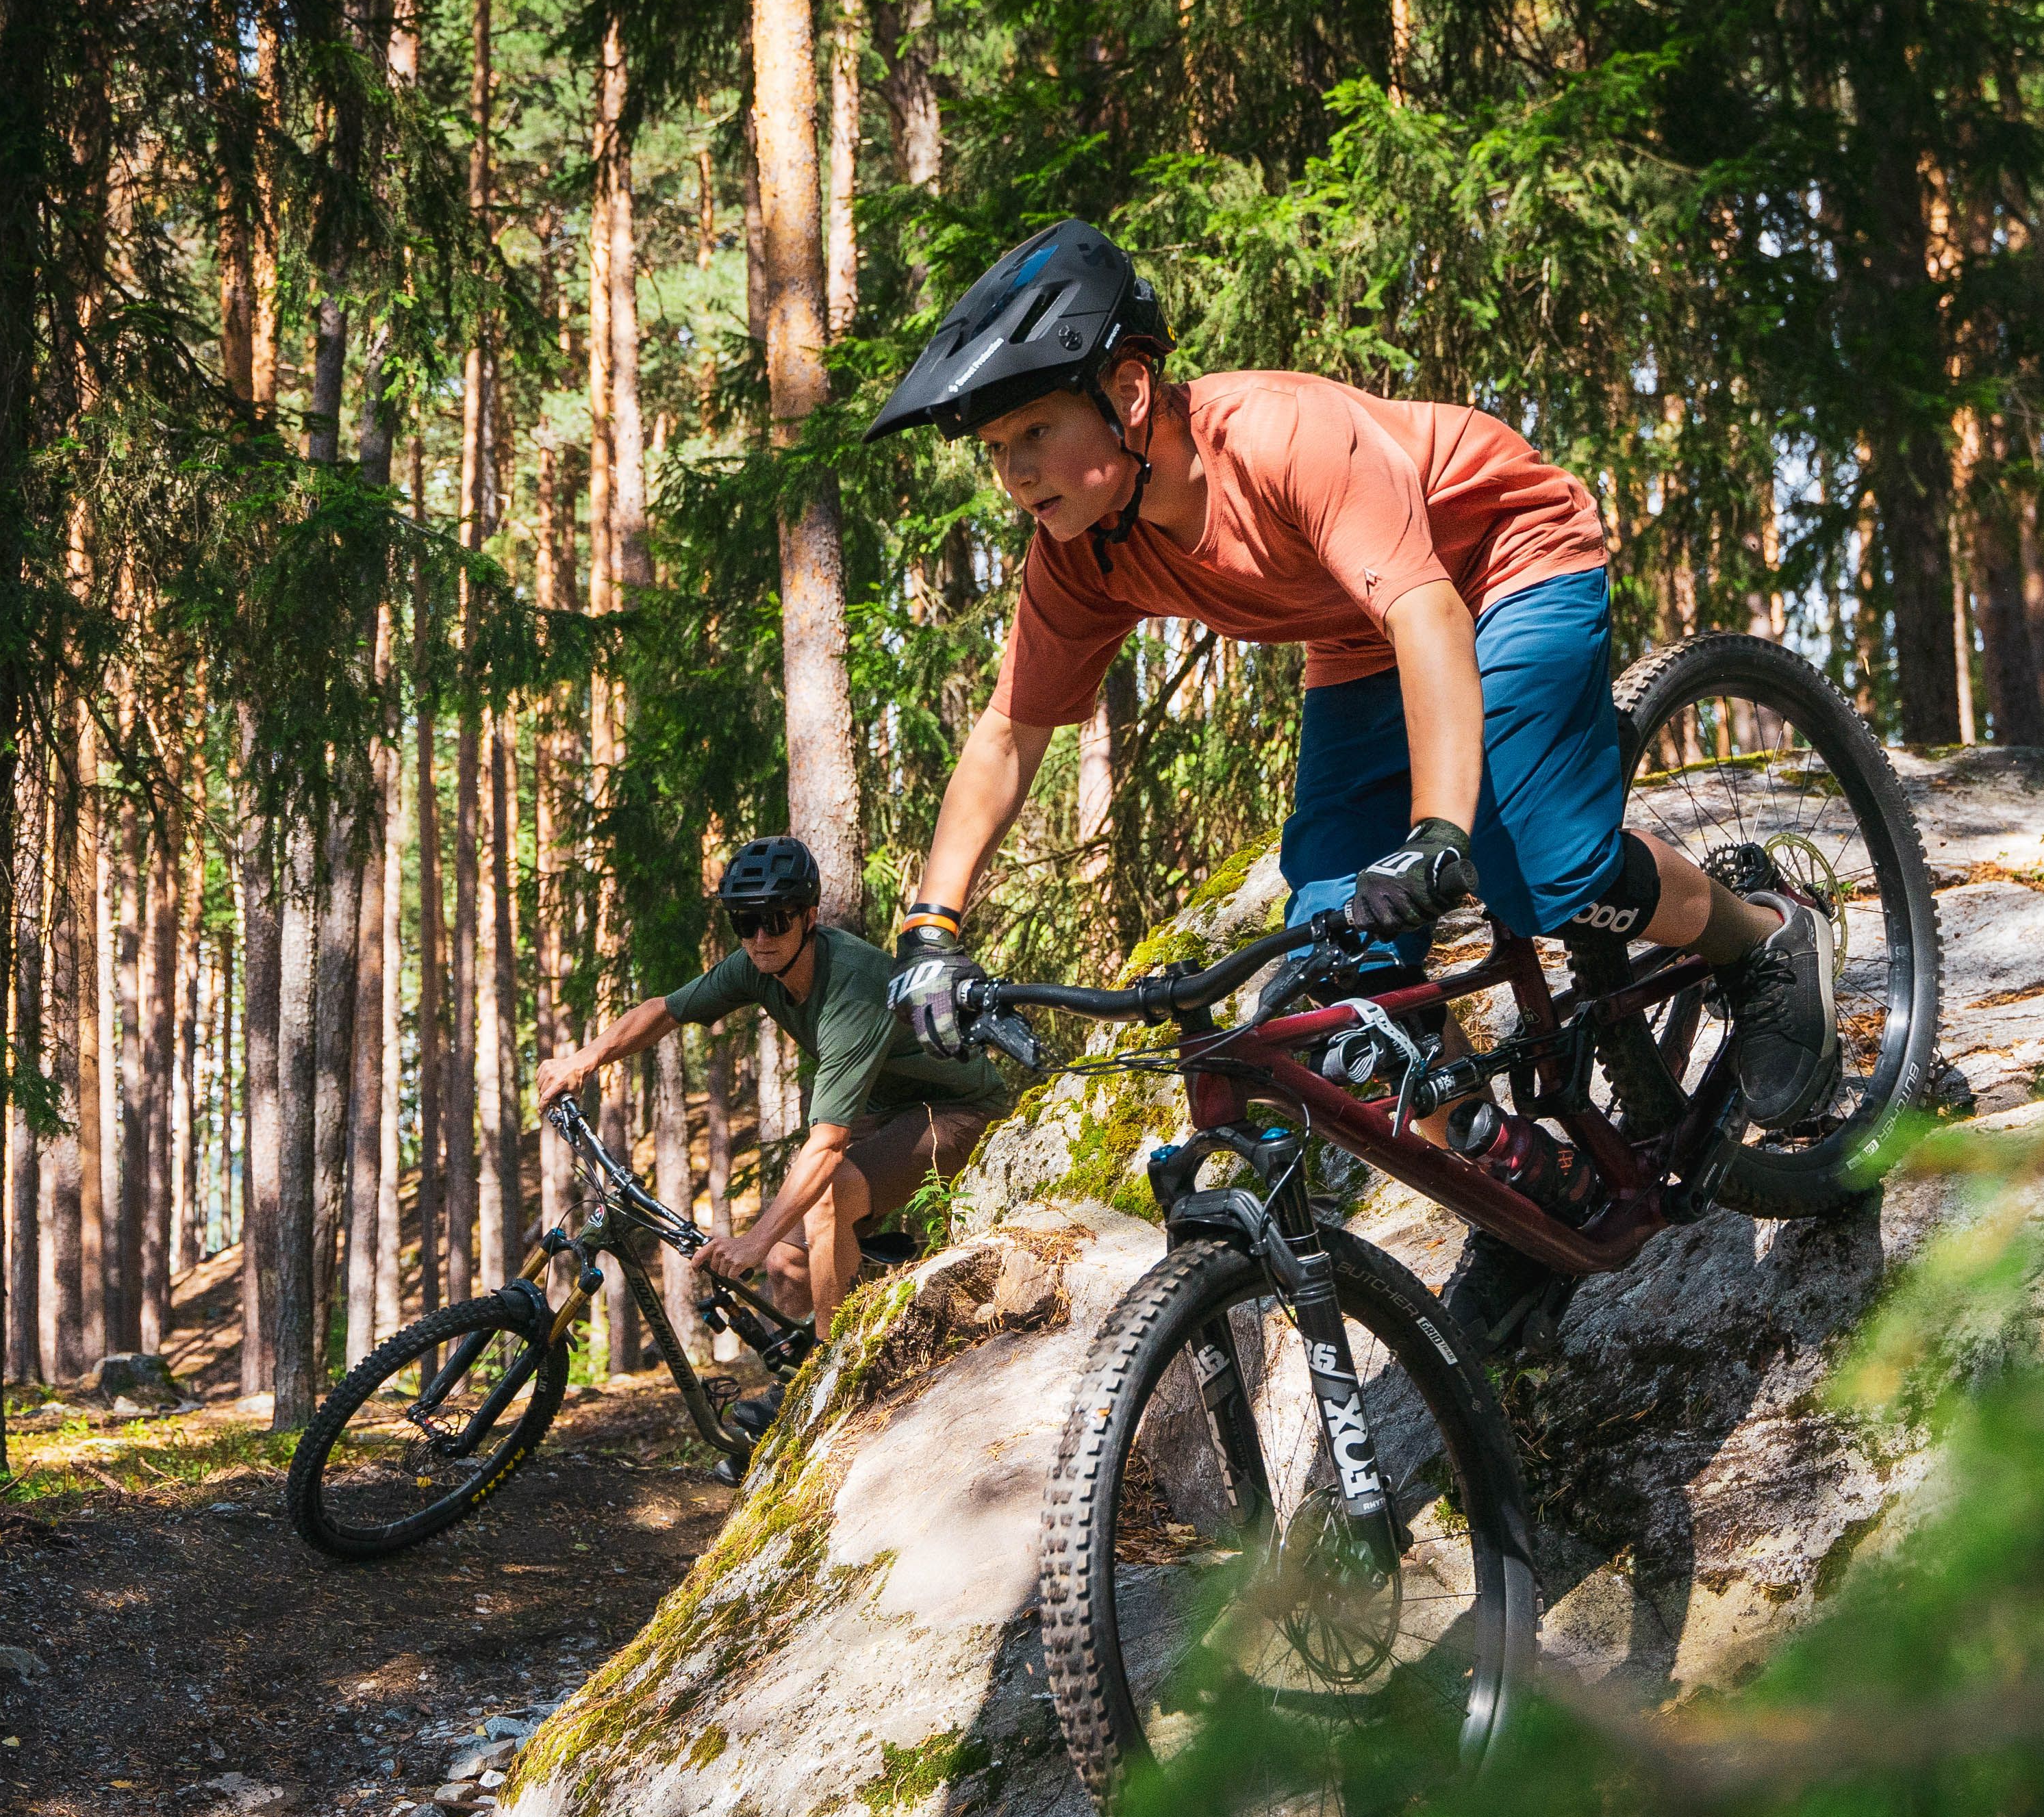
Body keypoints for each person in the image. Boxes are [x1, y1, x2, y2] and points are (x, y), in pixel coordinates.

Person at [862, 220, 1841, 1179]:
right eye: (995, 447)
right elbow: (1009, 732)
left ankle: (1764, 939)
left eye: (1034, 430)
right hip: (1359, 634)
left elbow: (1429, 617)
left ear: (1128, 389)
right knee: (1346, 966)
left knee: (1536, 866)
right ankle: (1523, 1179)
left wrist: (1438, 830)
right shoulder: (1083, 554)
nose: (1014, 472)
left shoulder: (1282, 439)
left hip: (1504, 560)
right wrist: (929, 931)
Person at [530, 836, 1010, 1335]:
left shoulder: (850, 987)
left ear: (809, 916)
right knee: (786, 1262)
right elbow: (665, 1010)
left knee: (824, 1195)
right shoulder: (756, 966)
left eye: (776, 919)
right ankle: (804, 1371)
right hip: (887, 1106)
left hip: (962, 1109)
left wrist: (752, 1240)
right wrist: (585, 1058)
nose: (761, 936)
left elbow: (828, 1146)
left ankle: (834, 1385)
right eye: (745, 922)